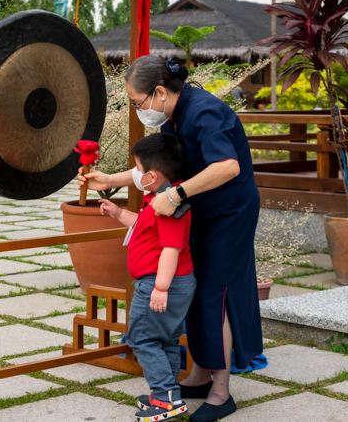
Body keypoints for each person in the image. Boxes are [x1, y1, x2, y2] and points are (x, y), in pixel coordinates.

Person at [79, 56, 262, 422]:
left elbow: (228, 166)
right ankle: (198, 375)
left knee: (214, 296)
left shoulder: (205, 112)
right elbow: (157, 169)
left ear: (160, 92)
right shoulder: (176, 114)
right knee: (194, 293)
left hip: (229, 214)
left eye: (137, 101)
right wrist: (109, 181)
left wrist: (175, 196)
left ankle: (221, 393)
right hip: (201, 210)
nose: (137, 109)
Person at [99, 133, 196, 422]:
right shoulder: (160, 197)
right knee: (164, 339)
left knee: (141, 338)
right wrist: (118, 213)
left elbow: (171, 248)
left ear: (151, 175)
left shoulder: (170, 207)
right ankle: (166, 396)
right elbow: (143, 227)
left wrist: (160, 288)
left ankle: (165, 397)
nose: (136, 176)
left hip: (160, 283)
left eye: (138, 171)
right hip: (167, 283)